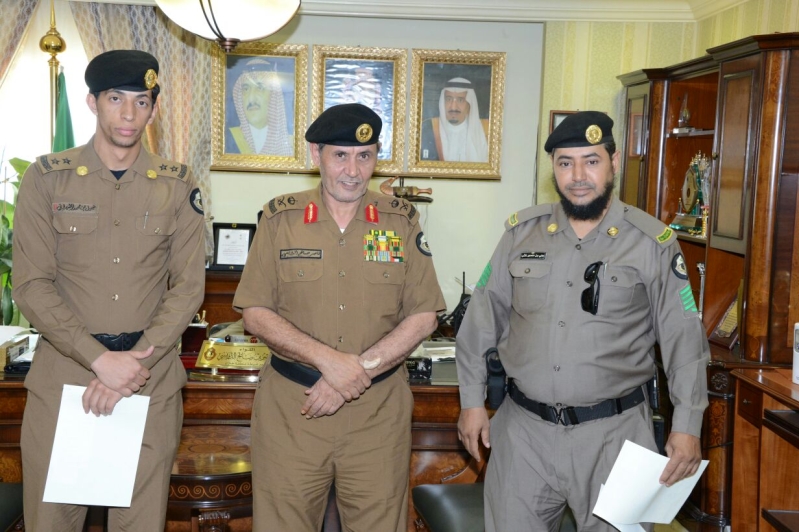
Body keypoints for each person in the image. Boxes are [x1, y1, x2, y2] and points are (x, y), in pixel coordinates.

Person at [455, 111, 709, 531]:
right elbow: (480, 321)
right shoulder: (521, 234)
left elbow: (684, 340)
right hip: (523, 435)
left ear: (614, 161)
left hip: (614, 438)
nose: (577, 176)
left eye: (591, 161)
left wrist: (687, 424)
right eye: (565, 163)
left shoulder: (652, 243)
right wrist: (470, 401)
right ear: (552, 168)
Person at [13, 49, 206, 531]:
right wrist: (100, 360)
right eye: (116, 98)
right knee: (51, 522)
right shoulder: (47, 178)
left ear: (153, 110)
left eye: (142, 101)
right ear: (92, 102)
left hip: (149, 382)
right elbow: (31, 285)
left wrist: (131, 365)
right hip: (65, 379)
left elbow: (187, 287)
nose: (128, 113)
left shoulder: (177, 185)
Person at [233, 103, 445, 532]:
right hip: (294, 411)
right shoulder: (281, 218)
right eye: (341, 155)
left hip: (377, 415)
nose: (353, 170)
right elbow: (255, 313)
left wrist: (353, 372)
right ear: (317, 154)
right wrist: (329, 362)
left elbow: (424, 316)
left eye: (364, 156)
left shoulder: (400, 220)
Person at [225, 57, 293, 156]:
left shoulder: (291, 144)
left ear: (272, 96)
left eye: (260, 88)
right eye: (246, 89)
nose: (251, 98)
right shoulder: (227, 139)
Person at [420, 77, 489, 162]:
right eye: (448, 99)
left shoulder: (486, 130)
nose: (453, 107)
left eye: (460, 100)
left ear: (469, 104)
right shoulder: (428, 127)